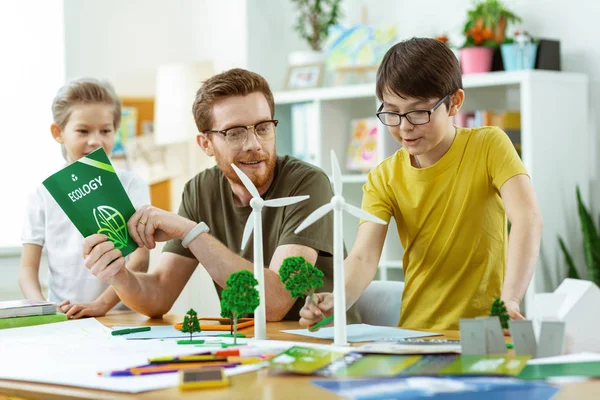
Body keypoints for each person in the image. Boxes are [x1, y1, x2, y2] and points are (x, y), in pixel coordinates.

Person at [299, 37, 543, 331]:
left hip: (487, 331)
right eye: (392, 111)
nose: (404, 126)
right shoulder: (383, 177)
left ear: (454, 103)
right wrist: (337, 299)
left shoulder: (489, 145)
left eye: (417, 112)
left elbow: (527, 219)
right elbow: (363, 257)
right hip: (415, 334)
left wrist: (511, 299)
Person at [81, 68, 361, 323]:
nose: (254, 144)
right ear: (205, 144)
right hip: (250, 348)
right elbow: (159, 297)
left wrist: (191, 232)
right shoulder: (199, 190)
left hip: (320, 346)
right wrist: (118, 275)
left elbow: (274, 303)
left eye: (263, 128)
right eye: (234, 133)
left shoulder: (308, 184)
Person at [19, 78, 150, 319]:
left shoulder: (133, 186)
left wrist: (100, 306)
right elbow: (27, 269)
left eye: (105, 131)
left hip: (120, 315)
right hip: (63, 315)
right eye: (83, 131)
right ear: (58, 133)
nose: (95, 140)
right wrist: (44, 310)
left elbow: (140, 261)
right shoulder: (42, 194)